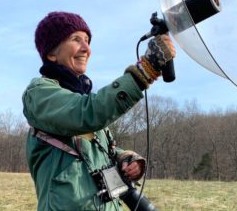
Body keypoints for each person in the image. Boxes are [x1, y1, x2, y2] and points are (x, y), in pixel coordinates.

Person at [23, 11, 175, 210]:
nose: (86, 48)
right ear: (51, 53)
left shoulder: (84, 99)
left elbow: (98, 152)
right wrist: (144, 71)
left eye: (87, 40)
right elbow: (85, 114)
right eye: (75, 39)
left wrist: (125, 159)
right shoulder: (39, 94)